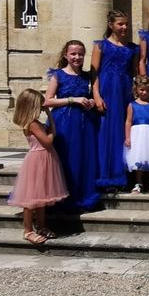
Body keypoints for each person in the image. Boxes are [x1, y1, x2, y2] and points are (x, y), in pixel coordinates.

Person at [7, 88, 68, 245]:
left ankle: (41, 226)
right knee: (31, 199)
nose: (43, 106)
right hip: (37, 160)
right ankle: (28, 231)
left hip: (45, 159)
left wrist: (49, 117)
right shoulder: (32, 124)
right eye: (40, 104)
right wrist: (52, 128)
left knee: (41, 197)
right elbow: (47, 142)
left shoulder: (36, 122)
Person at [44, 40, 100, 211]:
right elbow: (47, 100)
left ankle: (80, 194)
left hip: (84, 122)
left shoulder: (86, 76)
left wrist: (89, 101)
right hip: (63, 122)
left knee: (82, 158)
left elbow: (87, 96)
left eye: (80, 54)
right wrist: (72, 100)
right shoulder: (58, 75)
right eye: (73, 54)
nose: (77, 57)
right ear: (66, 55)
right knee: (65, 157)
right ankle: (61, 196)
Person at [92, 9, 138, 191]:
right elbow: (94, 73)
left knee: (123, 131)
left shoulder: (132, 48)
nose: (124, 27)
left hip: (125, 90)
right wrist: (96, 95)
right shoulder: (100, 45)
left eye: (126, 24)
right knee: (106, 131)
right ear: (111, 25)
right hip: (107, 90)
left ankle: (123, 173)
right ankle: (105, 174)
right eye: (120, 24)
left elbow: (135, 73)